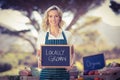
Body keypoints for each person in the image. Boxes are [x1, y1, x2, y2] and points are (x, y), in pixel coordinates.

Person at [36, 5, 75, 80]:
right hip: (46, 75)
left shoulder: (67, 35)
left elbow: (72, 53)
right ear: (47, 19)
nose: (53, 19)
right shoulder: (42, 35)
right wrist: (39, 62)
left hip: (63, 74)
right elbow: (38, 54)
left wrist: (71, 63)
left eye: (56, 16)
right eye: (50, 16)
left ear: (60, 18)